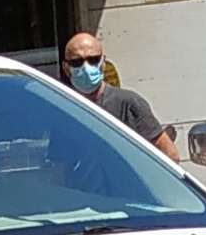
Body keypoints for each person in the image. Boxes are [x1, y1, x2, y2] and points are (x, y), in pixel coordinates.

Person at [62, 31, 179, 160]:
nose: (86, 67)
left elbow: (170, 156)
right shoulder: (65, 111)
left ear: (103, 63)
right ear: (66, 67)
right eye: (77, 62)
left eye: (93, 60)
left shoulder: (128, 103)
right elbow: (60, 170)